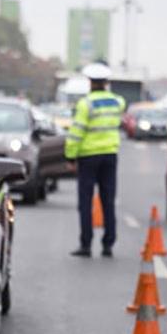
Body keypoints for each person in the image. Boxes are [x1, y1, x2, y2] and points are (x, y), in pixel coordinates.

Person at [65, 62, 125, 257]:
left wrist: (70, 156)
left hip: (88, 157)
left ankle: (86, 244)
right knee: (108, 200)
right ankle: (108, 243)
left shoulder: (86, 104)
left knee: (85, 202)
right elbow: (120, 108)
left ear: (90, 82)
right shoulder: (117, 102)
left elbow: (76, 133)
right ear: (106, 82)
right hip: (110, 156)